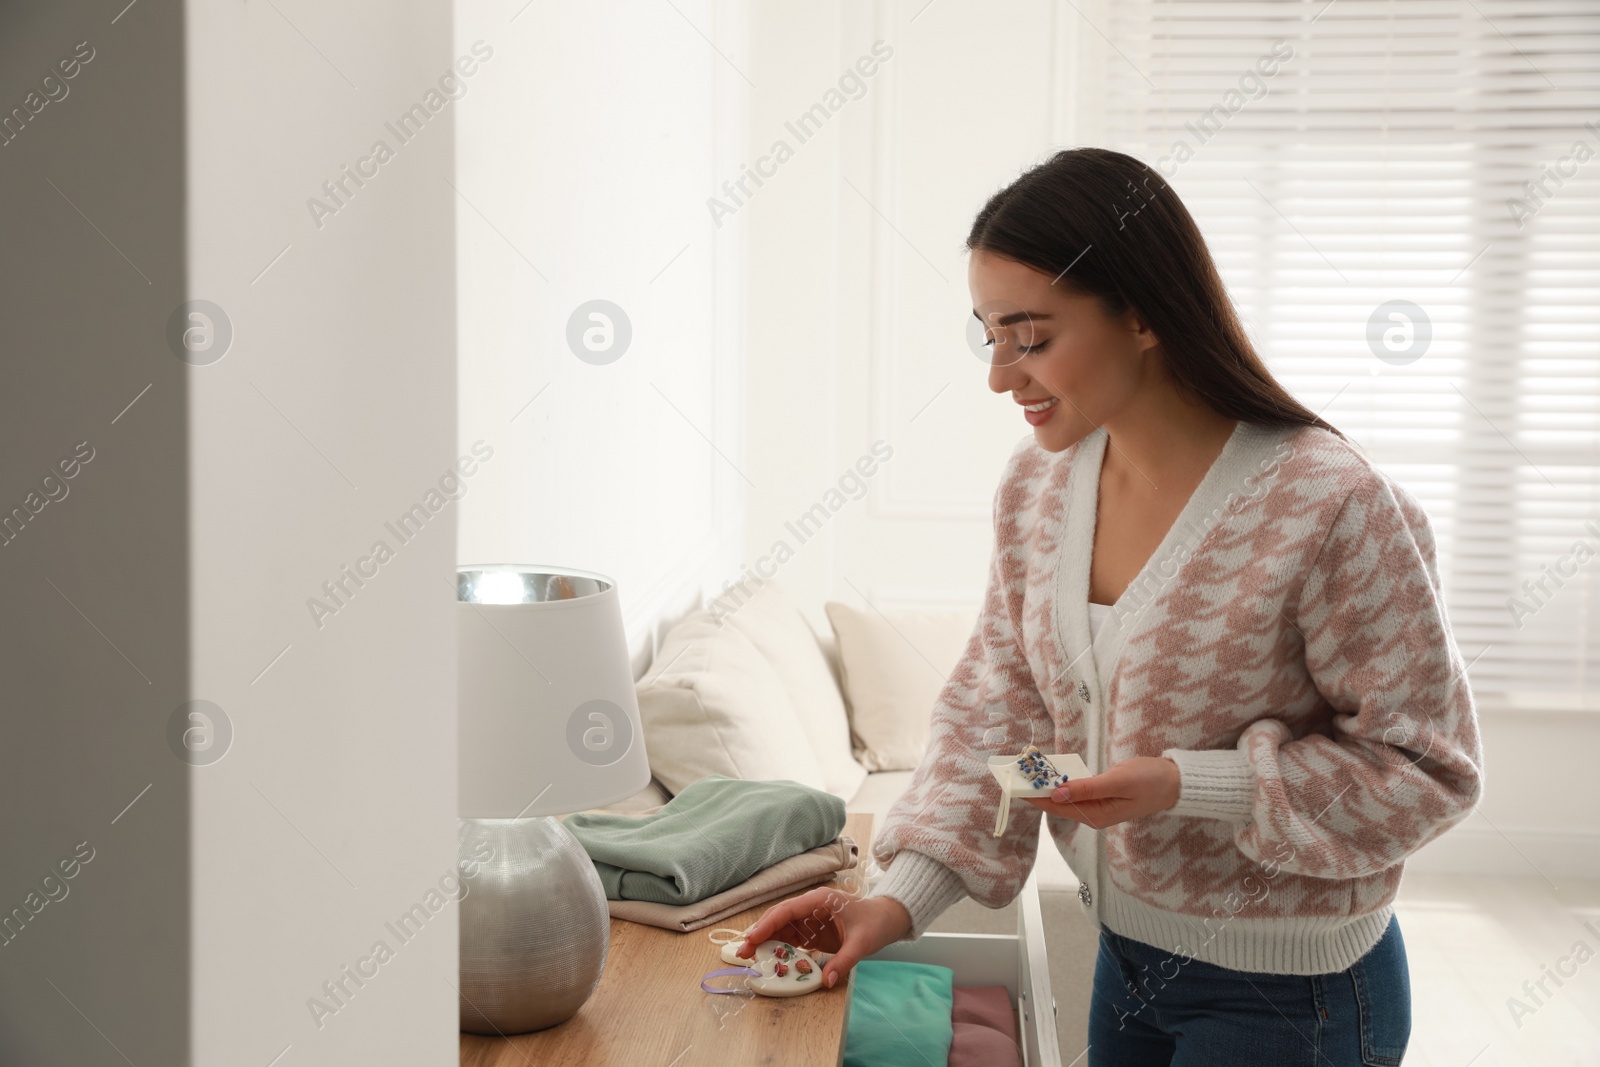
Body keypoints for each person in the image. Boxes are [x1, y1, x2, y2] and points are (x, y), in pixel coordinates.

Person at [738, 146, 1485, 1064]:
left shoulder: (1331, 505)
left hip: (1295, 996)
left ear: (1140, 314)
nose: (1000, 375)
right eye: (989, 335)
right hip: (1125, 963)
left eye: (1032, 336)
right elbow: (998, 713)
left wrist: (1190, 782)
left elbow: (1428, 769)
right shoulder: (1040, 488)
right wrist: (893, 901)